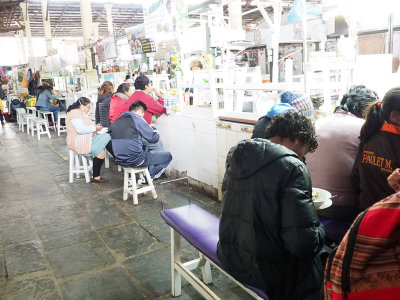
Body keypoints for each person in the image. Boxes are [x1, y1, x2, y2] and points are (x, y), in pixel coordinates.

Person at [217, 111, 324, 300]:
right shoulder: (292, 166)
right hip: (264, 271)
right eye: (304, 152)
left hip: (229, 255)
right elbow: (302, 244)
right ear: (298, 138)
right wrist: (318, 226)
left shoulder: (239, 154)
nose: (302, 158)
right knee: (319, 264)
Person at [307, 85, 379, 222]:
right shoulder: (363, 127)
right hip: (345, 208)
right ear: (367, 110)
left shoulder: (319, 123)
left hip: (313, 201)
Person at [352, 87, 400, 210]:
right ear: (395, 116)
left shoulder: (370, 134)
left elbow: (355, 178)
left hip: (366, 214)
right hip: (391, 220)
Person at [111, 101, 172, 181]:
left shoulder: (116, 121)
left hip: (120, 160)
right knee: (167, 156)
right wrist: (153, 129)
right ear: (140, 112)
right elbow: (154, 139)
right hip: (135, 160)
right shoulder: (137, 119)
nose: (142, 117)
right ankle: (148, 178)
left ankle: (130, 177)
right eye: (143, 115)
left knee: (139, 147)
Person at [66, 97, 111, 183]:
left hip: (83, 139)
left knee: (101, 151)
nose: (88, 110)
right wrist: (95, 128)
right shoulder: (75, 114)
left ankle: (96, 177)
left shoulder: (79, 112)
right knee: (107, 136)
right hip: (78, 142)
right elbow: (81, 129)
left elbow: (86, 126)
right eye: (88, 107)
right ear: (81, 105)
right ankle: (120, 159)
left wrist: (95, 128)